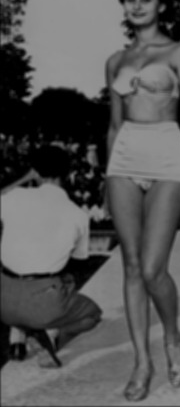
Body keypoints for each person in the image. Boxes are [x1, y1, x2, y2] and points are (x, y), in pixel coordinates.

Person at [105, 0, 180, 400]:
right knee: (129, 264)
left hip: (167, 154)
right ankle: (142, 363)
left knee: (151, 268)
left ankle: (172, 337)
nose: (138, 5)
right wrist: (106, 174)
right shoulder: (115, 60)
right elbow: (113, 124)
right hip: (123, 158)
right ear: (125, 6)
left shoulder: (179, 52)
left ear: (160, 5)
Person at [1, 147, 103, 367]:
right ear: (67, 173)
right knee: (92, 314)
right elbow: (78, 259)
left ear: (34, 171)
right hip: (43, 301)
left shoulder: (15, 197)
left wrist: (24, 179)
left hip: (3, 297)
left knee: (22, 263)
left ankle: (18, 335)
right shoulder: (77, 214)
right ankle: (47, 331)